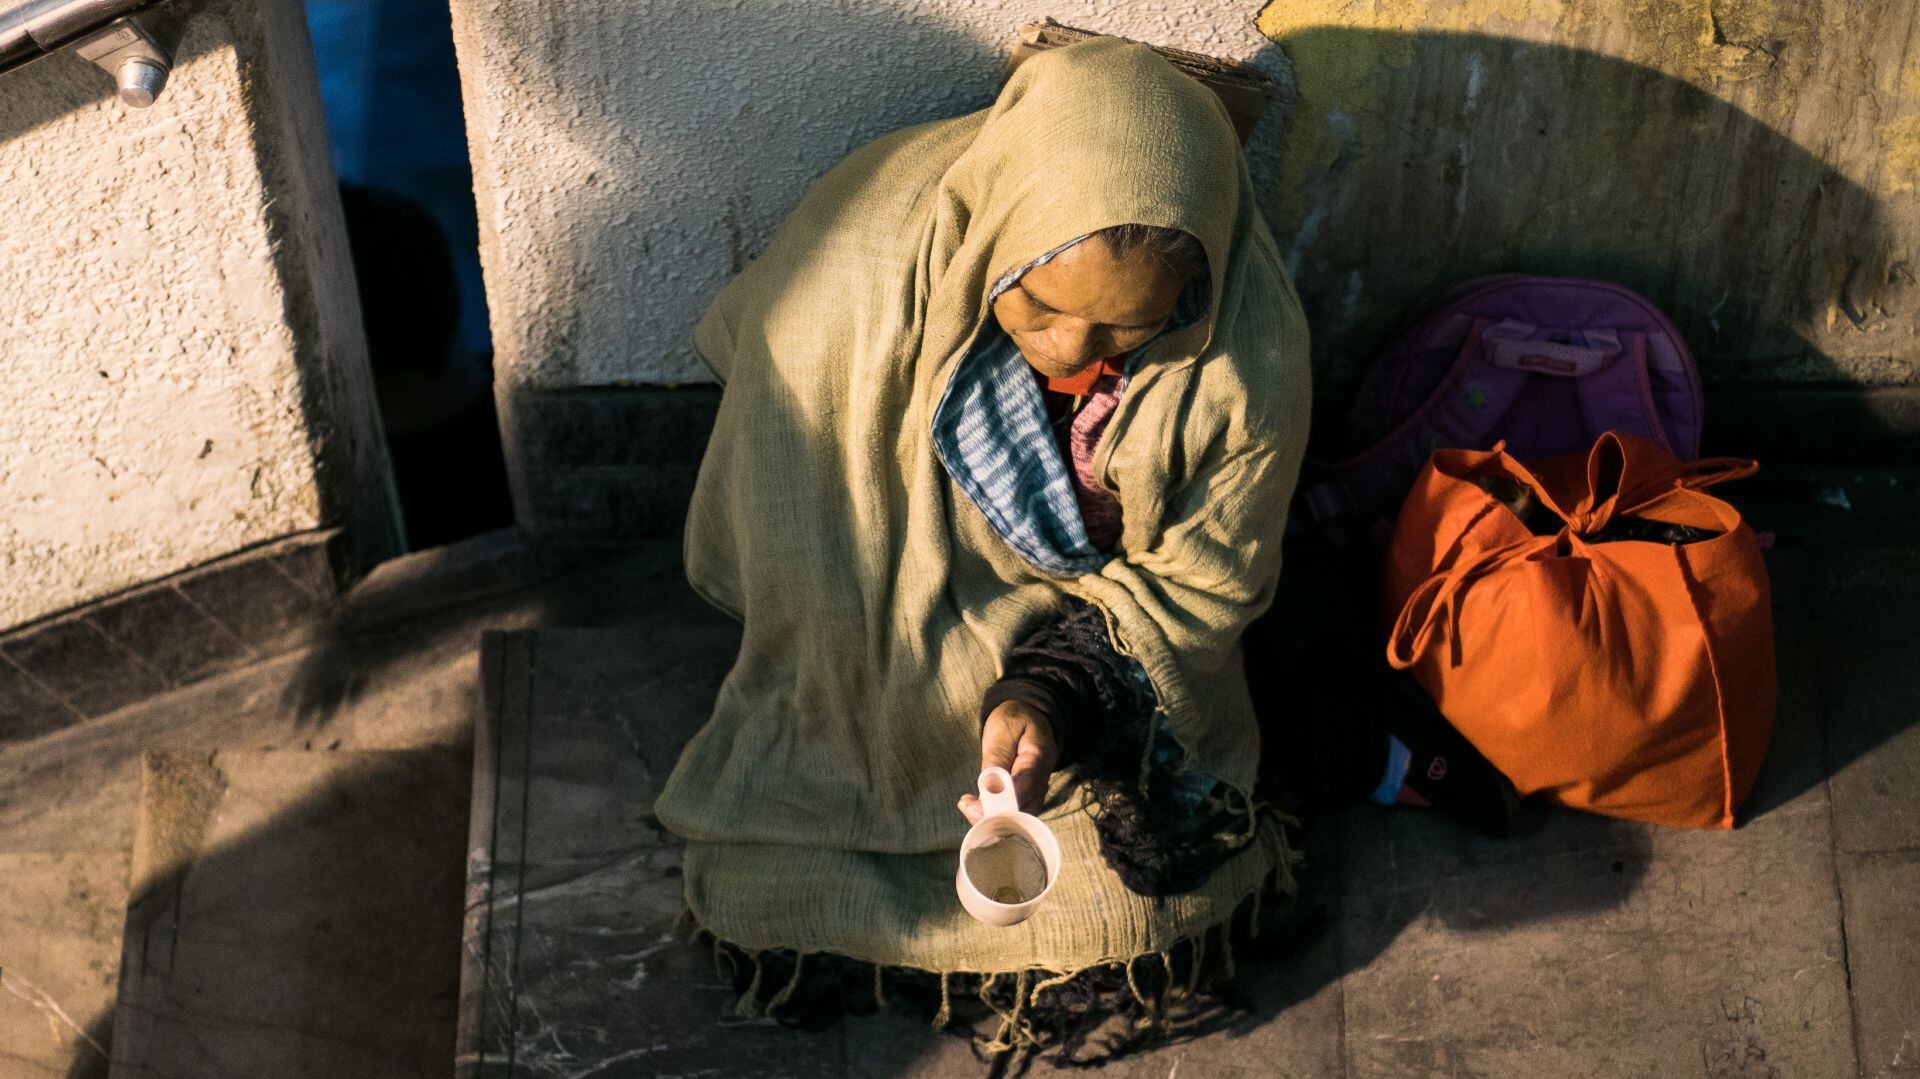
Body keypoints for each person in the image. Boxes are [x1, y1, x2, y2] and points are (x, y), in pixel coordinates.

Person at [653, 38, 1509, 1060]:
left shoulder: (1247, 352)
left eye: (1124, 331)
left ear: (1190, 297)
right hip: (872, 613)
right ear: (995, 237)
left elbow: (1203, 584)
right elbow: (782, 514)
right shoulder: (857, 267)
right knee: (782, 870)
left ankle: (1349, 744)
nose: (1066, 350)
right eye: (1039, 302)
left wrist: (1051, 692)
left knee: (1140, 896)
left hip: (1096, 621)